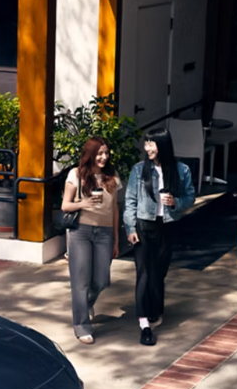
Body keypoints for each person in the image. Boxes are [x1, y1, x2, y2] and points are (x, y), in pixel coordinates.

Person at [124, 128, 196, 346]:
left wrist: (176, 203)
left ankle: (155, 307)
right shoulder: (139, 170)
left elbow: (190, 196)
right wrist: (130, 229)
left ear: (162, 145)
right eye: (145, 144)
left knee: (159, 272)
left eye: (151, 144)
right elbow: (130, 201)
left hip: (167, 225)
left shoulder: (181, 170)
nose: (147, 149)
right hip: (143, 225)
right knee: (143, 274)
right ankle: (144, 325)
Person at [62, 137, 121, 344]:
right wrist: (83, 203)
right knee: (80, 281)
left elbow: (114, 209)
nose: (104, 157)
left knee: (101, 279)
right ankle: (81, 326)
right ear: (90, 155)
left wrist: (116, 239)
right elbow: (65, 206)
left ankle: (85, 304)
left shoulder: (111, 176)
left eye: (106, 153)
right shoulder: (76, 175)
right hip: (81, 232)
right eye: (99, 153)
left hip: (104, 233)